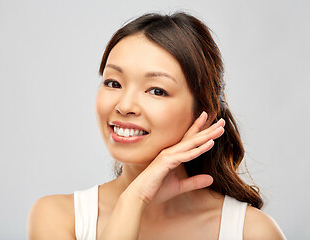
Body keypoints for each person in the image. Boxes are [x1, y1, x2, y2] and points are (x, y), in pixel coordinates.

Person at [27, 12, 286, 240]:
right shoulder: (58, 217)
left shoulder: (252, 232)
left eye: (157, 90)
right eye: (113, 83)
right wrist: (134, 199)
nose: (125, 105)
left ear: (203, 112)